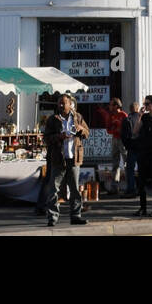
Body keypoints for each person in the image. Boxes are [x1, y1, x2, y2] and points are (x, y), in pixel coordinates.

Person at [42, 94, 90, 227]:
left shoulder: (77, 117)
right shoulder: (53, 119)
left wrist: (81, 130)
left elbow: (87, 132)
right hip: (58, 158)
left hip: (74, 158)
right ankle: (52, 217)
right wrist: (60, 136)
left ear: (70, 104)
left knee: (74, 189)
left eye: (64, 103)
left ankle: (76, 216)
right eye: (59, 103)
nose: (61, 105)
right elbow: (46, 138)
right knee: (54, 189)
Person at [105, 97, 128, 195]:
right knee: (115, 163)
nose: (109, 106)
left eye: (111, 104)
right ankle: (115, 186)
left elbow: (127, 129)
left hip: (122, 140)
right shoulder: (111, 116)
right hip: (115, 139)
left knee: (126, 162)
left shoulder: (123, 115)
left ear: (116, 106)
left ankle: (130, 186)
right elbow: (108, 129)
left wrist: (119, 130)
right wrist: (115, 129)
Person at [120, 101, 141, 197]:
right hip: (141, 147)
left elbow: (123, 135)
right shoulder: (142, 118)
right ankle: (141, 189)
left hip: (131, 147)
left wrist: (127, 146)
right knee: (142, 169)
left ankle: (131, 189)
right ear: (137, 108)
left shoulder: (126, 119)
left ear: (130, 109)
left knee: (130, 169)